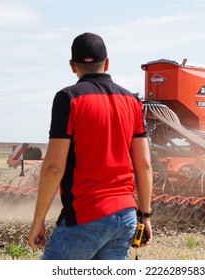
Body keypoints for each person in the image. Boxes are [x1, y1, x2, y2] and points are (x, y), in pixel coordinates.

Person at [28, 32, 153, 260]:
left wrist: (38, 222)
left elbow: (54, 167)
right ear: (106, 63)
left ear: (72, 66)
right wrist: (144, 216)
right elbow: (144, 165)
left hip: (85, 217)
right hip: (125, 216)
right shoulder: (133, 102)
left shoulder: (68, 99)